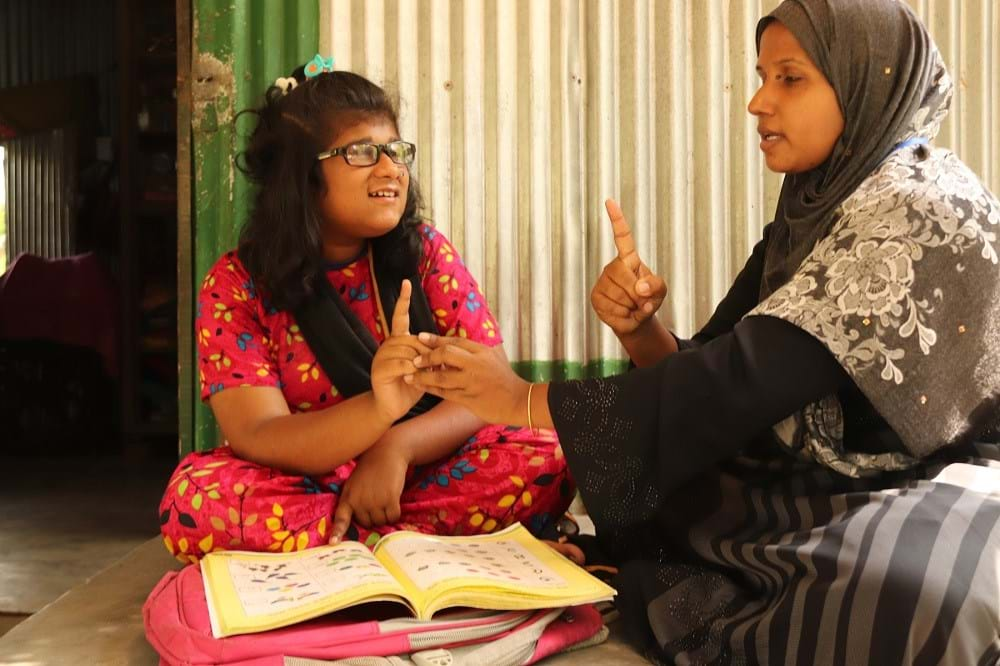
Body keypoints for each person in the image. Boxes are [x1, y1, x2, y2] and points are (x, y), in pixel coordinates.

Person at [407, 1, 1000, 663]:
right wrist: (642, 331)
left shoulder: (917, 204)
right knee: (685, 489)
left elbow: (744, 381)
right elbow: (728, 354)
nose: (757, 101)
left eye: (789, 78)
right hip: (838, 475)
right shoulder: (819, 200)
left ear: (866, 80)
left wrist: (521, 400)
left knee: (910, 595)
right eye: (761, 75)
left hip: (944, 470)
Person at [158, 62, 573, 561]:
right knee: (199, 499)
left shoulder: (424, 254)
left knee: (551, 448)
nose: (391, 168)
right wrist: (376, 410)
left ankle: (350, 545)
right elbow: (258, 434)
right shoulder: (237, 283)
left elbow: (492, 388)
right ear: (304, 175)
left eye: (396, 151)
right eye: (362, 152)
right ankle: (409, 543)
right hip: (306, 481)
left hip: (418, 468)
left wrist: (395, 449)